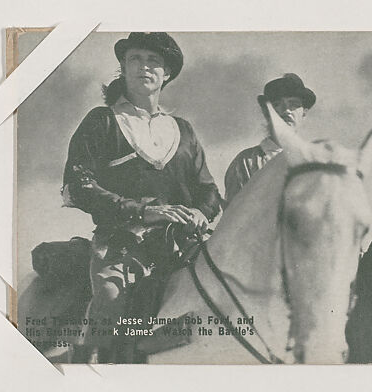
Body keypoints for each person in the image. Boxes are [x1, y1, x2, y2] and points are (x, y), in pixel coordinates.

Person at [62, 32, 222, 362]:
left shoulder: (183, 129)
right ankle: (89, 368)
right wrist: (143, 212)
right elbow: (79, 186)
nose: (144, 67)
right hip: (122, 242)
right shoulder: (101, 121)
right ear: (123, 67)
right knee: (110, 295)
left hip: (182, 243)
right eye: (135, 58)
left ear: (167, 74)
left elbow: (208, 190)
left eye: (154, 61)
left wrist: (201, 213)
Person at [224, 73, 316, 204]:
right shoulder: (246, 163)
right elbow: (234, 217)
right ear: (267, 112)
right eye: (278, 104)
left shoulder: (314, 162)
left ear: (304, 113)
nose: (287, 111)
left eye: (294, 104)